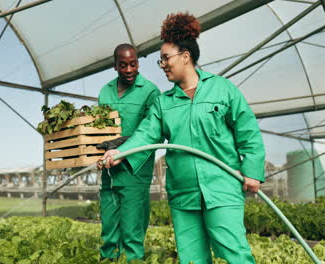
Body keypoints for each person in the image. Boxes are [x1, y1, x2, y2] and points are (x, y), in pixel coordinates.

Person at [100, 14, 265, 264]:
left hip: (221, 188)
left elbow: (248, 131)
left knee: (235, 253)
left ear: (185, 56)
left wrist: (252, 170)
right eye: (161, 60)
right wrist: (118, 153)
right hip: (183, 194)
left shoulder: (223, 89)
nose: (163, 65)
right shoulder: (164, 103)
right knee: (192, 259)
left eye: (166, 58)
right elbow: (145, 134)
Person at [96, 43, 161, 261]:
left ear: (138, 63)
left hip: (134, 172)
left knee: (133, 235)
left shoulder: (150, 91)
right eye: (123, 65)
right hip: (108, 173)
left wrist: (123, 150)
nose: (129, 70)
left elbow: (154, 132)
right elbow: (98, 130)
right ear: (115, 66)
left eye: (133, 64)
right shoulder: (105, 91)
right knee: (108, 233)